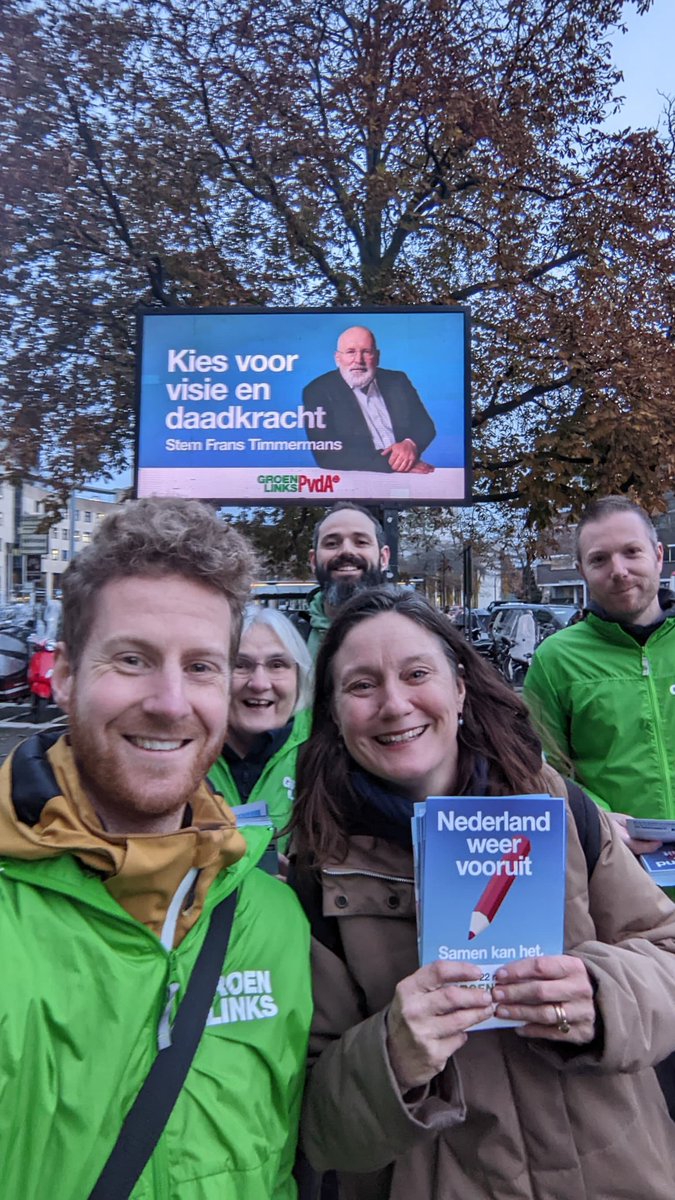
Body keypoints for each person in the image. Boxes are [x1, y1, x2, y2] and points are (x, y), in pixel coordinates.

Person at [289, 586, 675, 1199]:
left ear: (460, 688)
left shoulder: (557, 806)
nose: (395, 704)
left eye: (418, 674)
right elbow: (313, 1125)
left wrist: (602, 994)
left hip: (618, 1171)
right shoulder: (316, 876)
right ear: (334, 712)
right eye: (361, 686)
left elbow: (666, 951)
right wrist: (391, 1056)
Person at [0, 497, 312, 1199]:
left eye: (202, 667)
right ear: (68, 674)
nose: (171, 702)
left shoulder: (272, 922)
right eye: (134, 659)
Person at [523, 496, 675, 848]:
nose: (618, 570)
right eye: (600, 559)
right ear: (582, 570)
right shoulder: (555, 660)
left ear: (658, 555)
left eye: (631, 552)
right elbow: (538, 770)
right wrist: (598, 817)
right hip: (614, 869)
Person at [209, 605, 313, 851]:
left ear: (300, 675)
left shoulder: (327, 755)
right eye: (240, 664)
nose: (259, 683)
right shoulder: (180, 754)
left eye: (277, 665)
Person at [302, 326, 436, 472]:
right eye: (350, 352)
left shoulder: (398, 380)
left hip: (409, 474)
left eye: (366, 352)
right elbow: (326, 455)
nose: (358, 360)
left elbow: (425, 425)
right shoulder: (317, 390)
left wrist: (410, 444)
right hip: (356, 479)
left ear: (377, 357)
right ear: (337, 358)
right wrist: (396, 464)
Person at [305, 502, 391, 657]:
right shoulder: (287, 641)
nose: (346, 551)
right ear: (313, 561)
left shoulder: (417, 634)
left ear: (384, 558)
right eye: (331, 544)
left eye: (361, 542)